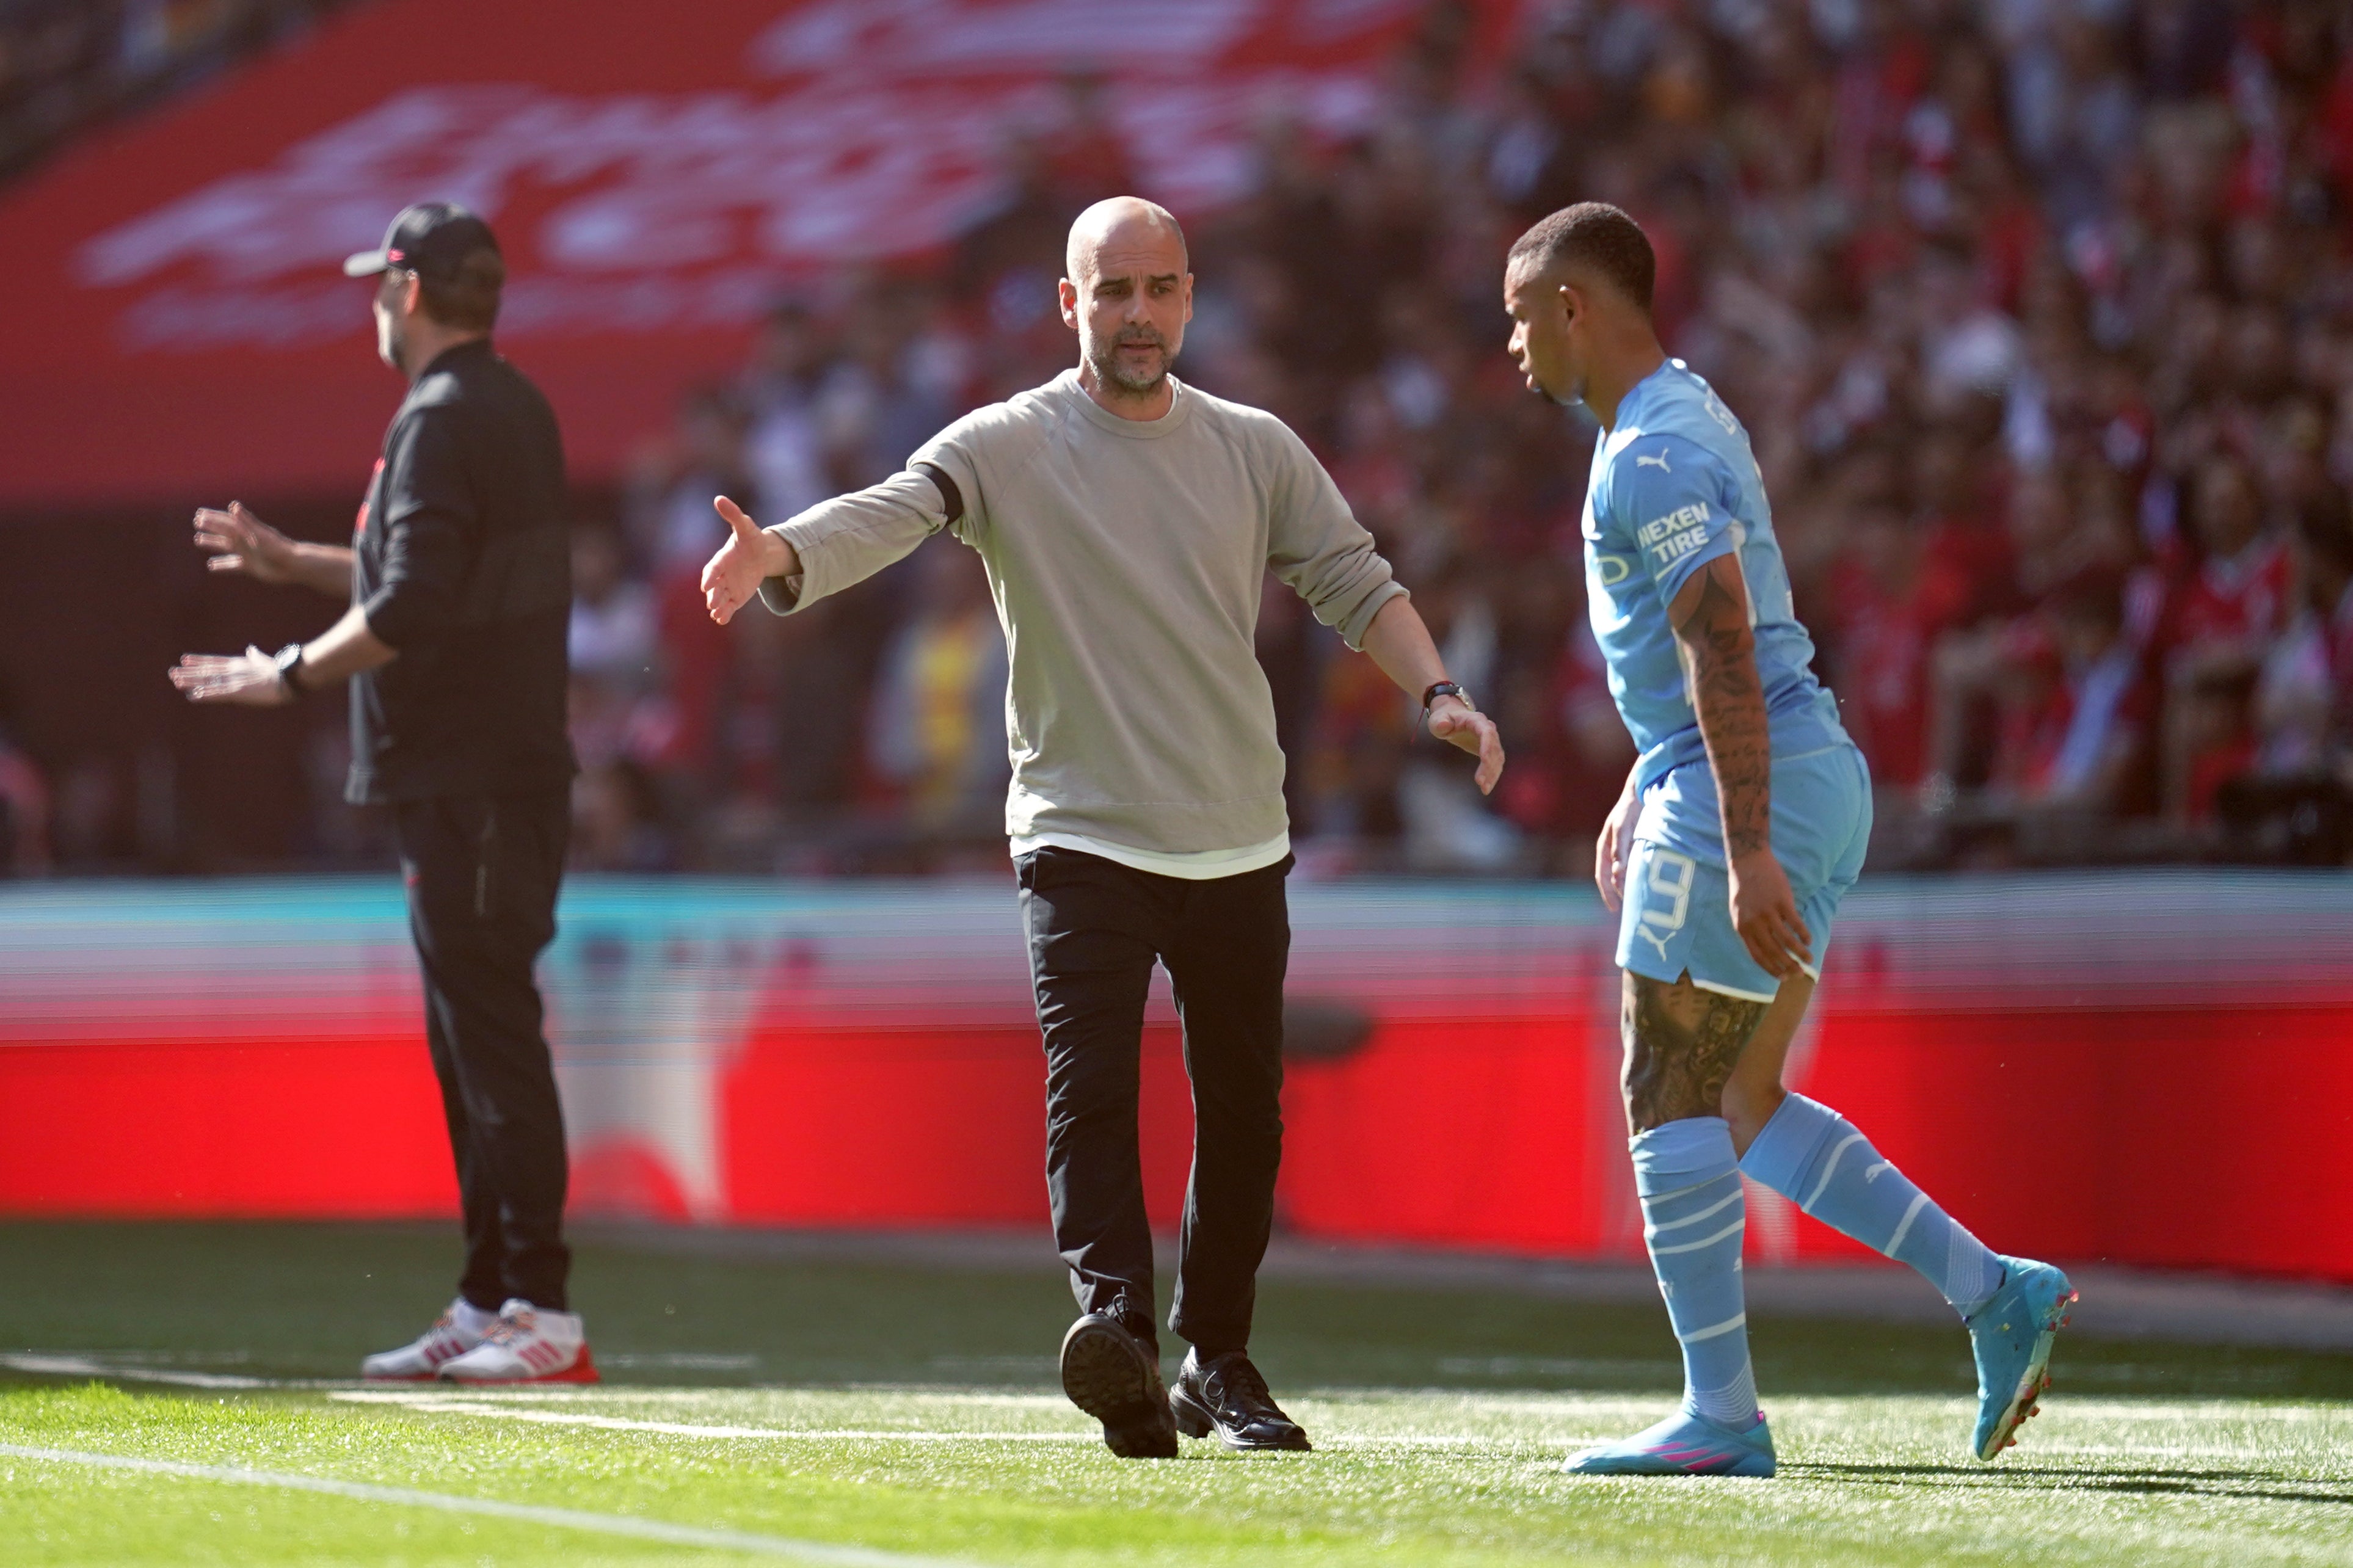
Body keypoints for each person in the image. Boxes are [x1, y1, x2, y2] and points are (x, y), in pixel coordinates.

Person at [700, 197, 1505, 1457]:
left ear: (1189, 300)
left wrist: (1438, 691)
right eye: (1113, 291)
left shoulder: (1254, 446)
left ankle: (1218, 1362)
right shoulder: (1007, 442)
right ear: (1068, 304)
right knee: (1092, 1097)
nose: (1138, 314)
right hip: (1078, 835)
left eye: (1161, 289)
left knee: (1246, 1114)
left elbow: (1356, 578)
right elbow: (900, 509)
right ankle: (1118, 1330)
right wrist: (783, 555)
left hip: (1236, 832)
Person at [1501, 203, 2074, 1478]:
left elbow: (1720, 644)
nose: (1513, 344)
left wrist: (1736, 835)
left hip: (1742, 793)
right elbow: (1709, 648)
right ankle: (1994, 1293)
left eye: (1520, 314)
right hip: (1797, 775)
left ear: (1575, 307)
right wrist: (1649, 777)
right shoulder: (1686, 415)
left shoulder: (1647, 453)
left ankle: (1721, 1415)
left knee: (1665, 1095)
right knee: (1742, 1100)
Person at [169, 202, 592, 1385]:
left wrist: (287, 673)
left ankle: (542, 1310)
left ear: (405, 290)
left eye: (376, 286)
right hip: (490, 778)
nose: (370, 304)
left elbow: (410, 607)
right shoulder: (509, 406)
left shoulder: (440, 419)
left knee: (491, 1040)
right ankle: (490, 1294)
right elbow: (430, 578)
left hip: (474, 783)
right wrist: (296, 562)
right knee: (472, 1042)